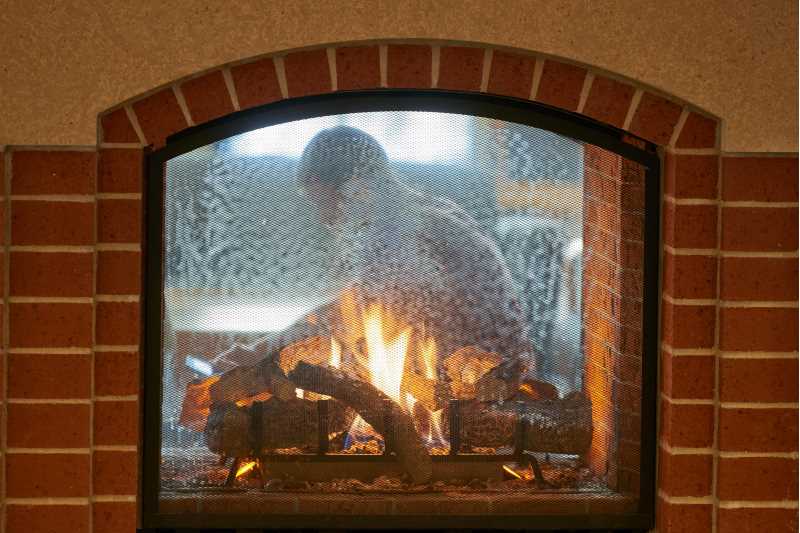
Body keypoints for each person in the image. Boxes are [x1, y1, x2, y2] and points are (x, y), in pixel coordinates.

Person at [211, 125, 533, 378]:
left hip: (483, 377)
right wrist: (266, 347)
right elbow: (357, 303)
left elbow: (352, 318)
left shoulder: (396, 228)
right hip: (499, 362)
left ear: (356, 187)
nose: (325, 219)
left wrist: (262, 353)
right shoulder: (422, 211)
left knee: (337, 364)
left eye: (325, 203)